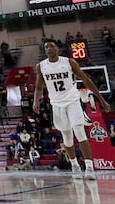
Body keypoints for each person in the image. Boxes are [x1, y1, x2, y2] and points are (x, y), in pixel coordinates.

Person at [33, 39, 111, 180]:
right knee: (67, 137)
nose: (49, 49)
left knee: (80, 132)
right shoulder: (41, 66)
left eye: (52, 46)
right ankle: (74, 165)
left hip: (73, 101)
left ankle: (89, 167)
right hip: (56, 104)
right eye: (46, 47)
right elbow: (39, 87)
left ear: (58, 49)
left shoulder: (69, 62)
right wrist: (35, 102)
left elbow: (86, 80)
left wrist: (102, 99)